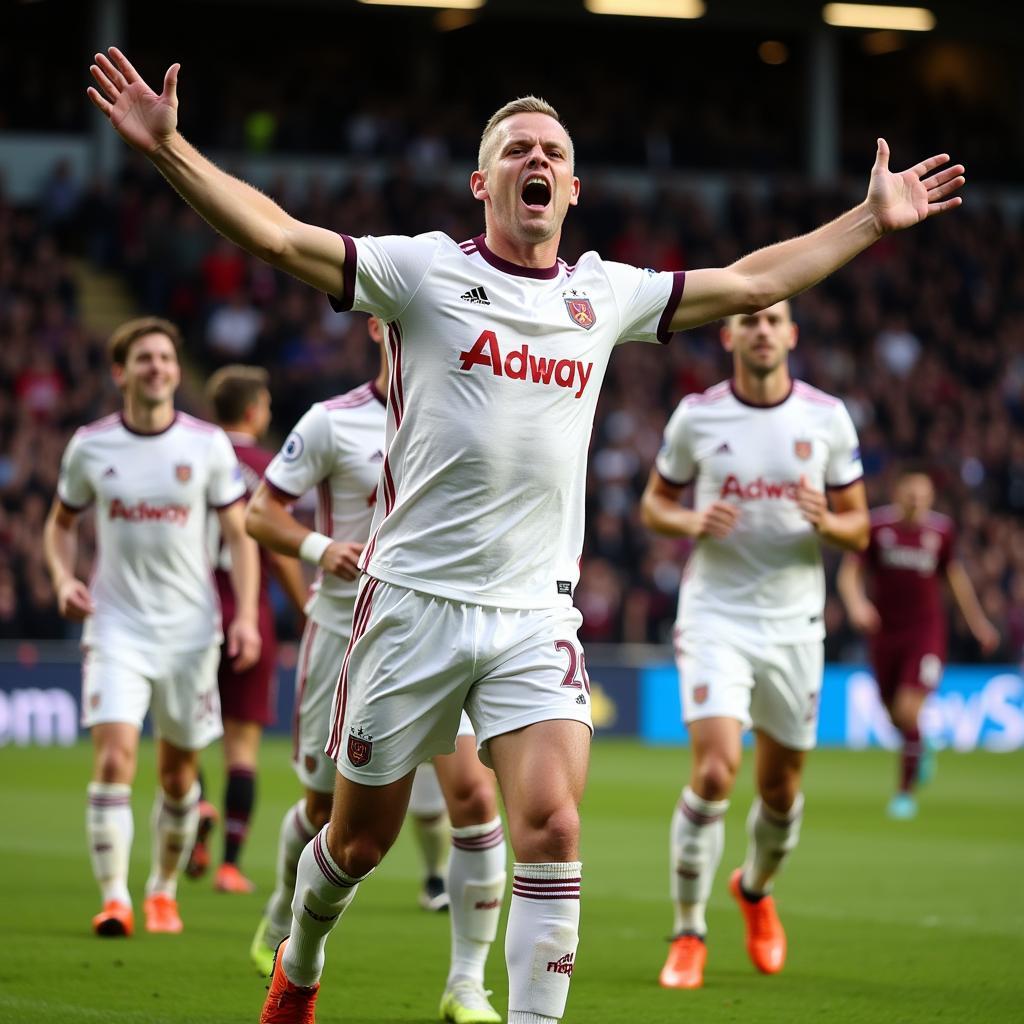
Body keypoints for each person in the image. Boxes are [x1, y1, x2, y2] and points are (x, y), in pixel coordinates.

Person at [87, 46, 965, 1024]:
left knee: (548, 823)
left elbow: (749, 275)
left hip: (533, 614)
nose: (534, 158)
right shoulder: (421, 273)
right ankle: (300, 960)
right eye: (515, 149)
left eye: (551, 148)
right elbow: (284, 239)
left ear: (574, 186)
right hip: (411, 604)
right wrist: (171, 152)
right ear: (484, 180)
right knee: (357, 842)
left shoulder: (601, 295)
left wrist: (867, 220)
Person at [245, 315, 507, 1023]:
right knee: (329, 814)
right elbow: (259, 516)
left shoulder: (476, 408)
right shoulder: (332, 423)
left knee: (477, 803)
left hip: (438, 630)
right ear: (377, 324)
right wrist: (317, 548)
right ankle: (285, 913)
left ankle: (465, 985)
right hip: (345, 634)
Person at [640, 300, 869, 989]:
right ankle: (688, 932)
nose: (763, 330)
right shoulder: (697, 415)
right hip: (716, 617)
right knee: (714, 773)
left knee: (780, 790)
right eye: (752, 320)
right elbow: (653, 505)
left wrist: (827, 522)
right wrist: (689, 519)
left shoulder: (826, 417)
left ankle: (755, 888)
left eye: (775, 320)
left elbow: (861, 528)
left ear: (792, 334)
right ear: (730, 333)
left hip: (795, 624)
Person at [42, 316, 261, 938]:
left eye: (166, 357)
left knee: (178, 775)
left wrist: (244, 613)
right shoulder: (91, 446)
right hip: (116, 627)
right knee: (114, 758)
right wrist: (63, 579)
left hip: (192, 632)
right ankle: (115, 899)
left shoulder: (206, 445)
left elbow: (240, 537)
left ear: (175, 369)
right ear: (122, 372)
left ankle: (162, 890)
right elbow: (58, 524)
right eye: (144, 359)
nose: (157, 367)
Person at [187, 365, 308, 893]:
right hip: (249, 613)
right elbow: (280, 551)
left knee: (183, 737)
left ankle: (196, 804)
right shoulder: (268, 467)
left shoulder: (191, 460)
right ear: (255, 411)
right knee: (242, 744)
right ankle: (232, 865)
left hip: (187, 609)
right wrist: (305, 606)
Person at [837, 466, 999, 819]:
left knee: (909, 710)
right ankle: (920, 747)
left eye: (924, 496)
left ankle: (904, 794)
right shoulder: (878, 528)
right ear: (897, 495)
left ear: (931, 498)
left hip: (925, 633)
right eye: (911, 495)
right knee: (895, 714)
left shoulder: (940, 532)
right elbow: (850, 573)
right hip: (885, 633)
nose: (917, 502)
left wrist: (978, 623)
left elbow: (954, 578)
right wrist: (858, 604)